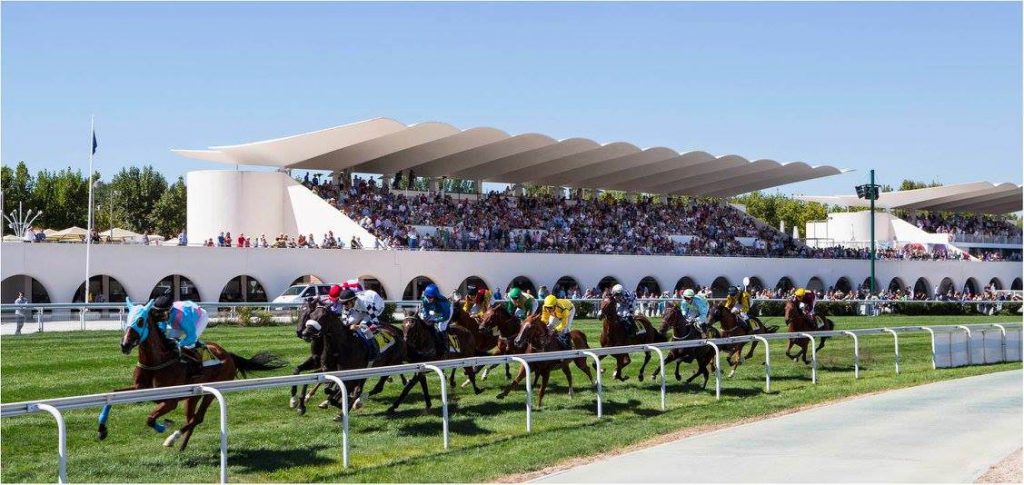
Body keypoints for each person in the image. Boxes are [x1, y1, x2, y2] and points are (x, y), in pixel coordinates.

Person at [151, 292, 210, 372]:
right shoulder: (164, 313)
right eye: (157, 313)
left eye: (161, 313)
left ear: (169, 310)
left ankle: (199, 365)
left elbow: (191, 336)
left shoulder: (183, 317)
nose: (159, 316)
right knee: (170, 340)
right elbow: (162, 330)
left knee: (190, 344)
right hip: (176, 320)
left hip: (199, 317)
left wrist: (179, 344)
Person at [336, 289, 386, 359]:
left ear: (353, 300)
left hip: (376, 308)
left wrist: (358, 326)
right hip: (361, 309)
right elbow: (345, 321)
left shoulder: (367, 303)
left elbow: (375, 322)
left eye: (346, 303)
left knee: (364, 328)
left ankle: (374, 349)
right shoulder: (347, 303)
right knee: (349, 322)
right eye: (342, 303)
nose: (344, 306)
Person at [418, 284, 452, 355]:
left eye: (431, 297)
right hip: (436, 310)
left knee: (440, 327)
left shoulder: (443, 303)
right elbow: (426, 313)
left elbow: (445, 316)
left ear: (435, 296)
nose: (428, 299)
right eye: (427, 297)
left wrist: (435, 320)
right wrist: (426, 319)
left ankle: (444, 346)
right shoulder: (425, 300)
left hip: (446, 311)